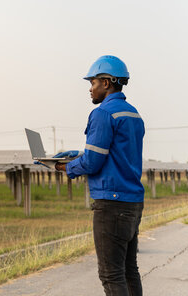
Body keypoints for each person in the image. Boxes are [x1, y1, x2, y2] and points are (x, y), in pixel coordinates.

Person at [55, 55, 145, 296]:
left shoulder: (103, 113)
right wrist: (78, 154)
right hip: (132, 202)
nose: (90, 89)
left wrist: (66, 167)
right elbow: (115, 154)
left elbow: (94, 163)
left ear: (106, 83)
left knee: (111, 274)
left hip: (112, 205)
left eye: (93, 82)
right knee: (129, 271)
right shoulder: (133, 114)